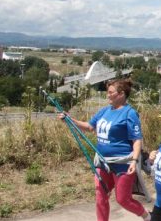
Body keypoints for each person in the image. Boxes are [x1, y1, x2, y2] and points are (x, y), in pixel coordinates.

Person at [58, 79, 150, 221]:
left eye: (110, 92)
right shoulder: (105, 111)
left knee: (123, 200)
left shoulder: (129, 113)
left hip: (123, 163)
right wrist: (70, 119)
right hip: (102, 162)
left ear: (121, 94)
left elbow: (137, 140)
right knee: (101, 197)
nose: (107, 95)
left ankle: (146, 215)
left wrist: (134, 160)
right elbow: (89, 127)